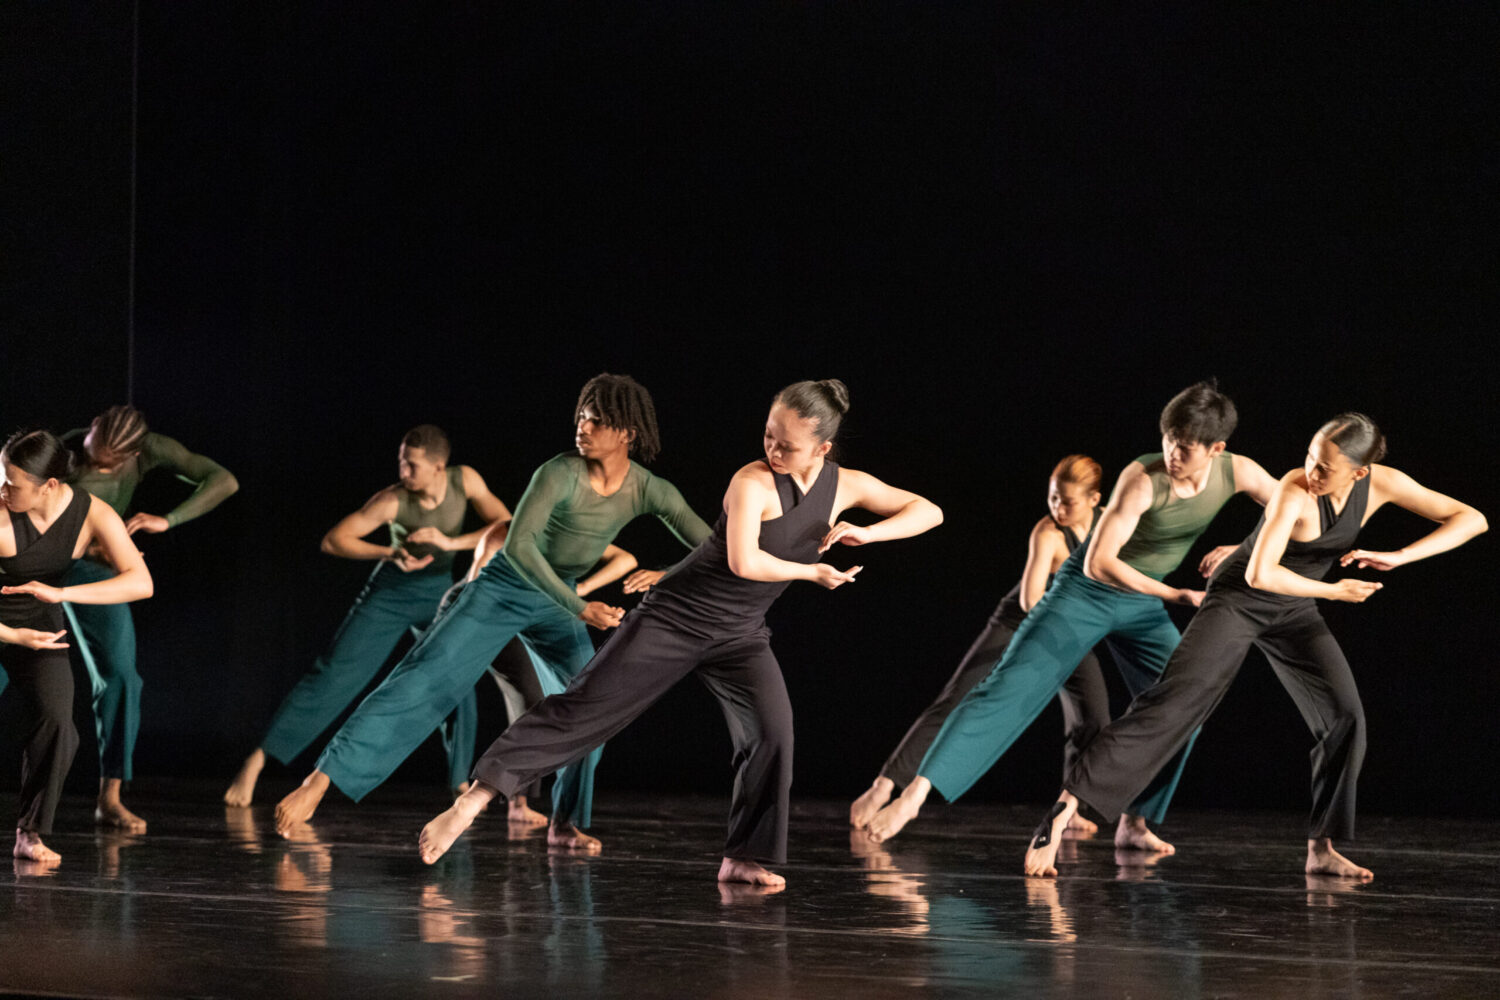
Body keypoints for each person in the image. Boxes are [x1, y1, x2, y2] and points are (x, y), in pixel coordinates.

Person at [417, 379, 944, 886]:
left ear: (821, 449)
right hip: (676, 616)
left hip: (738, 633)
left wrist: (867, 531)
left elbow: (928, 511)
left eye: (787, 445)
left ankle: (743, 857)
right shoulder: (751, 481)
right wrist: (811, 572)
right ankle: (472, 801)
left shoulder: (844, 487)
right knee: (586, 706)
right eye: (768, 436)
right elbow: (743, 561)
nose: (772, 450)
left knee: (773, 733)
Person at [1024, 414, 1487, 879]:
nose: (1312, 471)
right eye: (1310, 457)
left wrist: (1399, 555)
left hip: (1293, 610)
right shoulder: (1294, 488)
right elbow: (1258, 574)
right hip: (1239, 601)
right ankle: (1062, 814)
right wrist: (1334, 591)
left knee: (1345, 717)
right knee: (1175, 704)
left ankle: (1321, 849)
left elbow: (1472, 519)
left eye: (1325, 467)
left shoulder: (1384, 484)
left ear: (1359, 473)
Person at [274, 374, 711, 852]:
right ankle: (321, 779)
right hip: (504, 586)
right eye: (582, 415)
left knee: (591, 702)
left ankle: (564, 823)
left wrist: (664, 573)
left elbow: (714, 545)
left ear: (627, 432)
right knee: (422, 676)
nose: (584, 425)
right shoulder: (558, 473)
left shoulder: (649, 489)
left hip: (557, 597)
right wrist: (580, 606)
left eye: (599, 419)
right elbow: (520, 548)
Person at [866, 382, 1276, 846]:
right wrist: (1176, 594)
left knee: (1185, 702)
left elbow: (1290, 506)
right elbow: (1102, 561)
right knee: (1007, 687)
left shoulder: (1238, 472)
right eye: (1167, 440)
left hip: (1141, 604)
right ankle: (913, 796)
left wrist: (1240, 547)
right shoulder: (1142, 479)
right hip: (1086, 592)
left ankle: (1135, 822)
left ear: (1215, 449)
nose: (1170, 453)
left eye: (1183, 447)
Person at [223, 425, 510, 807]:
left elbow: (506, 526)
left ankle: (460, 781)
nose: (403, 472)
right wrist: (388, 554)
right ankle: (257, 760)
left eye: (412, 466)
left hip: (438, 591)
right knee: (335, 673)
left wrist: (450, 543)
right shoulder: (392, 501)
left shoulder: (466, 480)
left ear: (439, 466)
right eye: (401, 463)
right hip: (391, 592)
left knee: (457, 674)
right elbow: (334, 539)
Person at [0, 405, 238, 833]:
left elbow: (224, 480)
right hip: (25, 569)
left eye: (109, 463)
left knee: (121, 676)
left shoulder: (145, 455)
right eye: (93, 454)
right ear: (90, 430)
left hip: (84, 569)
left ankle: (109, 797)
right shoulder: (56, 457)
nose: (98, 463)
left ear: (132, 457)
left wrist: (169, 519)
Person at [849, 455, 1108, 832]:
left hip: (1064, 632)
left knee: (1094, 716)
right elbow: (1031, 600)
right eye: (1053, 498)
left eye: (1067, 502)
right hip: (1020, 621)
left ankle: (1069, 810)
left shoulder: (1106, 528)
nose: (1058, 508)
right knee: (957, 699)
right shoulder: (1048, 533)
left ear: (1094, 500)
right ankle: (883, 786)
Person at [0, 430, 154, 863]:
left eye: (13, 484)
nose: (3, 489)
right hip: (5, 628)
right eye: (1, 478)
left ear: (49, 485)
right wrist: (12, 636)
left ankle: (29, 833)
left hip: (40, 626)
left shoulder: (92, 514)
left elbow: (140, 582)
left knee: (59, 723)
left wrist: (64, 596)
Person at [436, 515, 639, 826]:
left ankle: (518, 802)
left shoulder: (569, 537)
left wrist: (577, 591)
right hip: (474, 609)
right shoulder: (505, 532)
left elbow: (625, 559)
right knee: (447, 693)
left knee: (534, 698)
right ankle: (459, 783)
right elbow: (479, 590)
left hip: (528, 618)